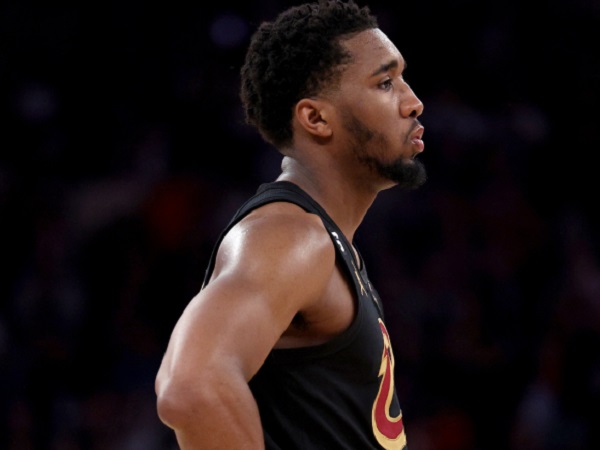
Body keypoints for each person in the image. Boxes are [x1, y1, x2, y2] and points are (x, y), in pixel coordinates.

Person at [155, 0, 426, 448]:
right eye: (385, 82)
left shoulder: (327, 242)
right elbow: (192, 386)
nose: (413, 101)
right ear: (316, 118)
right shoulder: (289, 236)